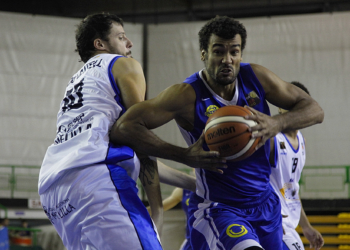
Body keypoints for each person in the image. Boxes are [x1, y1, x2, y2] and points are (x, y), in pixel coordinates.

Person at [111, 16, 324, 250]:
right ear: (203, 54)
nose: (227, 59)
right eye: (218, 51)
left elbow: (315, 109)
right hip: (220, 207)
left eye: (234, 51)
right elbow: (125, 126)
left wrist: (277, 122)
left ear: (241, 54)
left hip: (266, 204)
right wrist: (182, 155)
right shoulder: (186, 94)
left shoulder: (256, 77)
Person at [38, 13, 211, 250]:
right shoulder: (122, 64)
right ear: (100, 44)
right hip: (97, 178)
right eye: (121, 37)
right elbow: (139, 138)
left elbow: (120, 151)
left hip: (55, 192)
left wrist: (197, 185)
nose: (129, 44)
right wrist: (157, 212)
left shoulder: (76, 83)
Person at [269, 81, 324, 250]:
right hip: (272, 221)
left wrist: (306, 226)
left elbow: (292, 189)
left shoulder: (302, 141)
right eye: (288, 103)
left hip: (290, 224)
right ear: (279, 107)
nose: (294, 108)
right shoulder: (271, 139)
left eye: (298, 103)